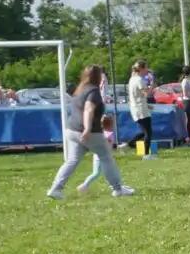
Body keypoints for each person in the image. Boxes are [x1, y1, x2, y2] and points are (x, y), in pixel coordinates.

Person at [48, 65, 134, 199]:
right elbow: (88, 109)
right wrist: (87, 129)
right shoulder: (93, 91)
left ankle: (56, 189)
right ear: (98, 77)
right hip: (89, 132)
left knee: (72, 160)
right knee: (106, 157)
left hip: (72, 130)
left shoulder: (79, 90)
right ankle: (117, 188)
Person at [126, 59, 155, 156]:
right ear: (141, 69)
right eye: (146, 68)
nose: (147, 70)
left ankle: (128, 144)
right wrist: (151, 83)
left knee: (144, 131)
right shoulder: (139, 80)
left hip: (136, 108)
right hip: (140, 109)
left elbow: (137, 96)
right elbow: (147, 94)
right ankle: (146, 154)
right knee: (148, 133)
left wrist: (147, 105)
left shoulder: (132, 79)